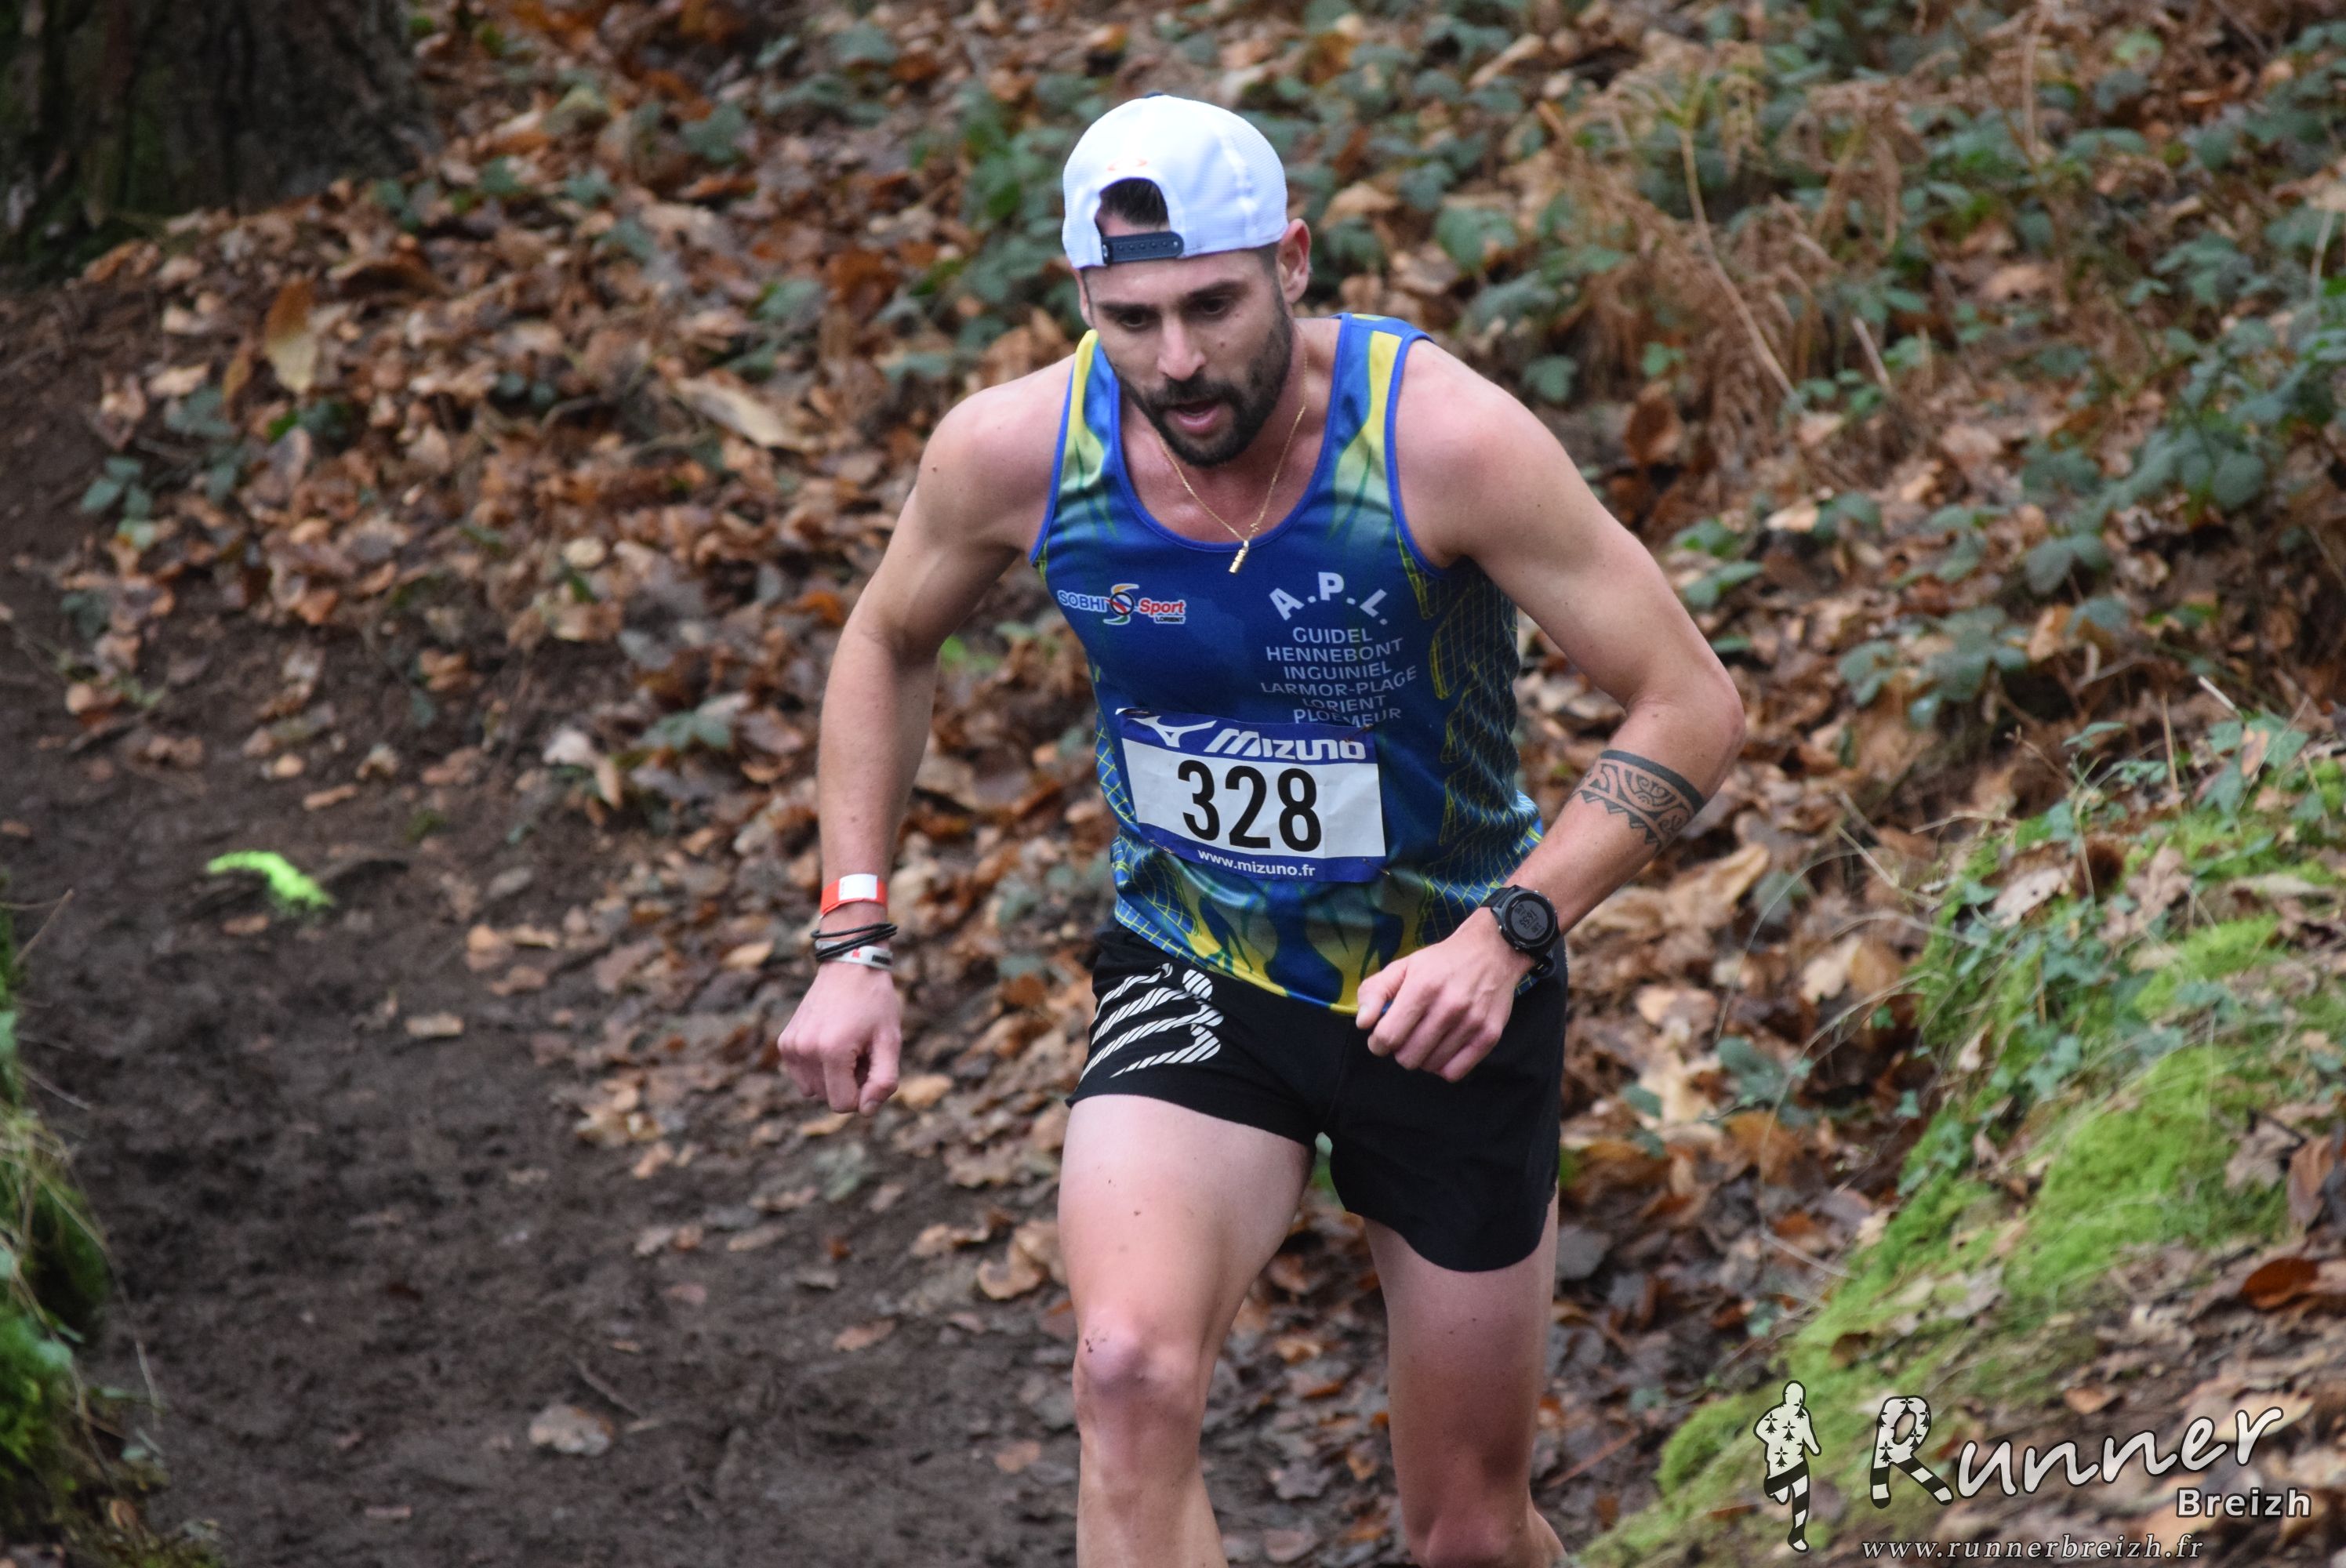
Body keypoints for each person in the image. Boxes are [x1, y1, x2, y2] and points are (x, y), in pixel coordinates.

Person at [777, 92, 1746, 1568]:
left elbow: (1690, 704)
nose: (1176, 360)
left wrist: (1509, 935)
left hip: (1446, 991)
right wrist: (853, 930)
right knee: (1126, 1374)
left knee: (1469, 1535)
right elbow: (885, 636)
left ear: (1292, 260)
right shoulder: (1020, 453)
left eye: (1213, 307)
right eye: (1131, 318)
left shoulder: (1440, 440)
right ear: (1083, 298)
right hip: (1197, 968)